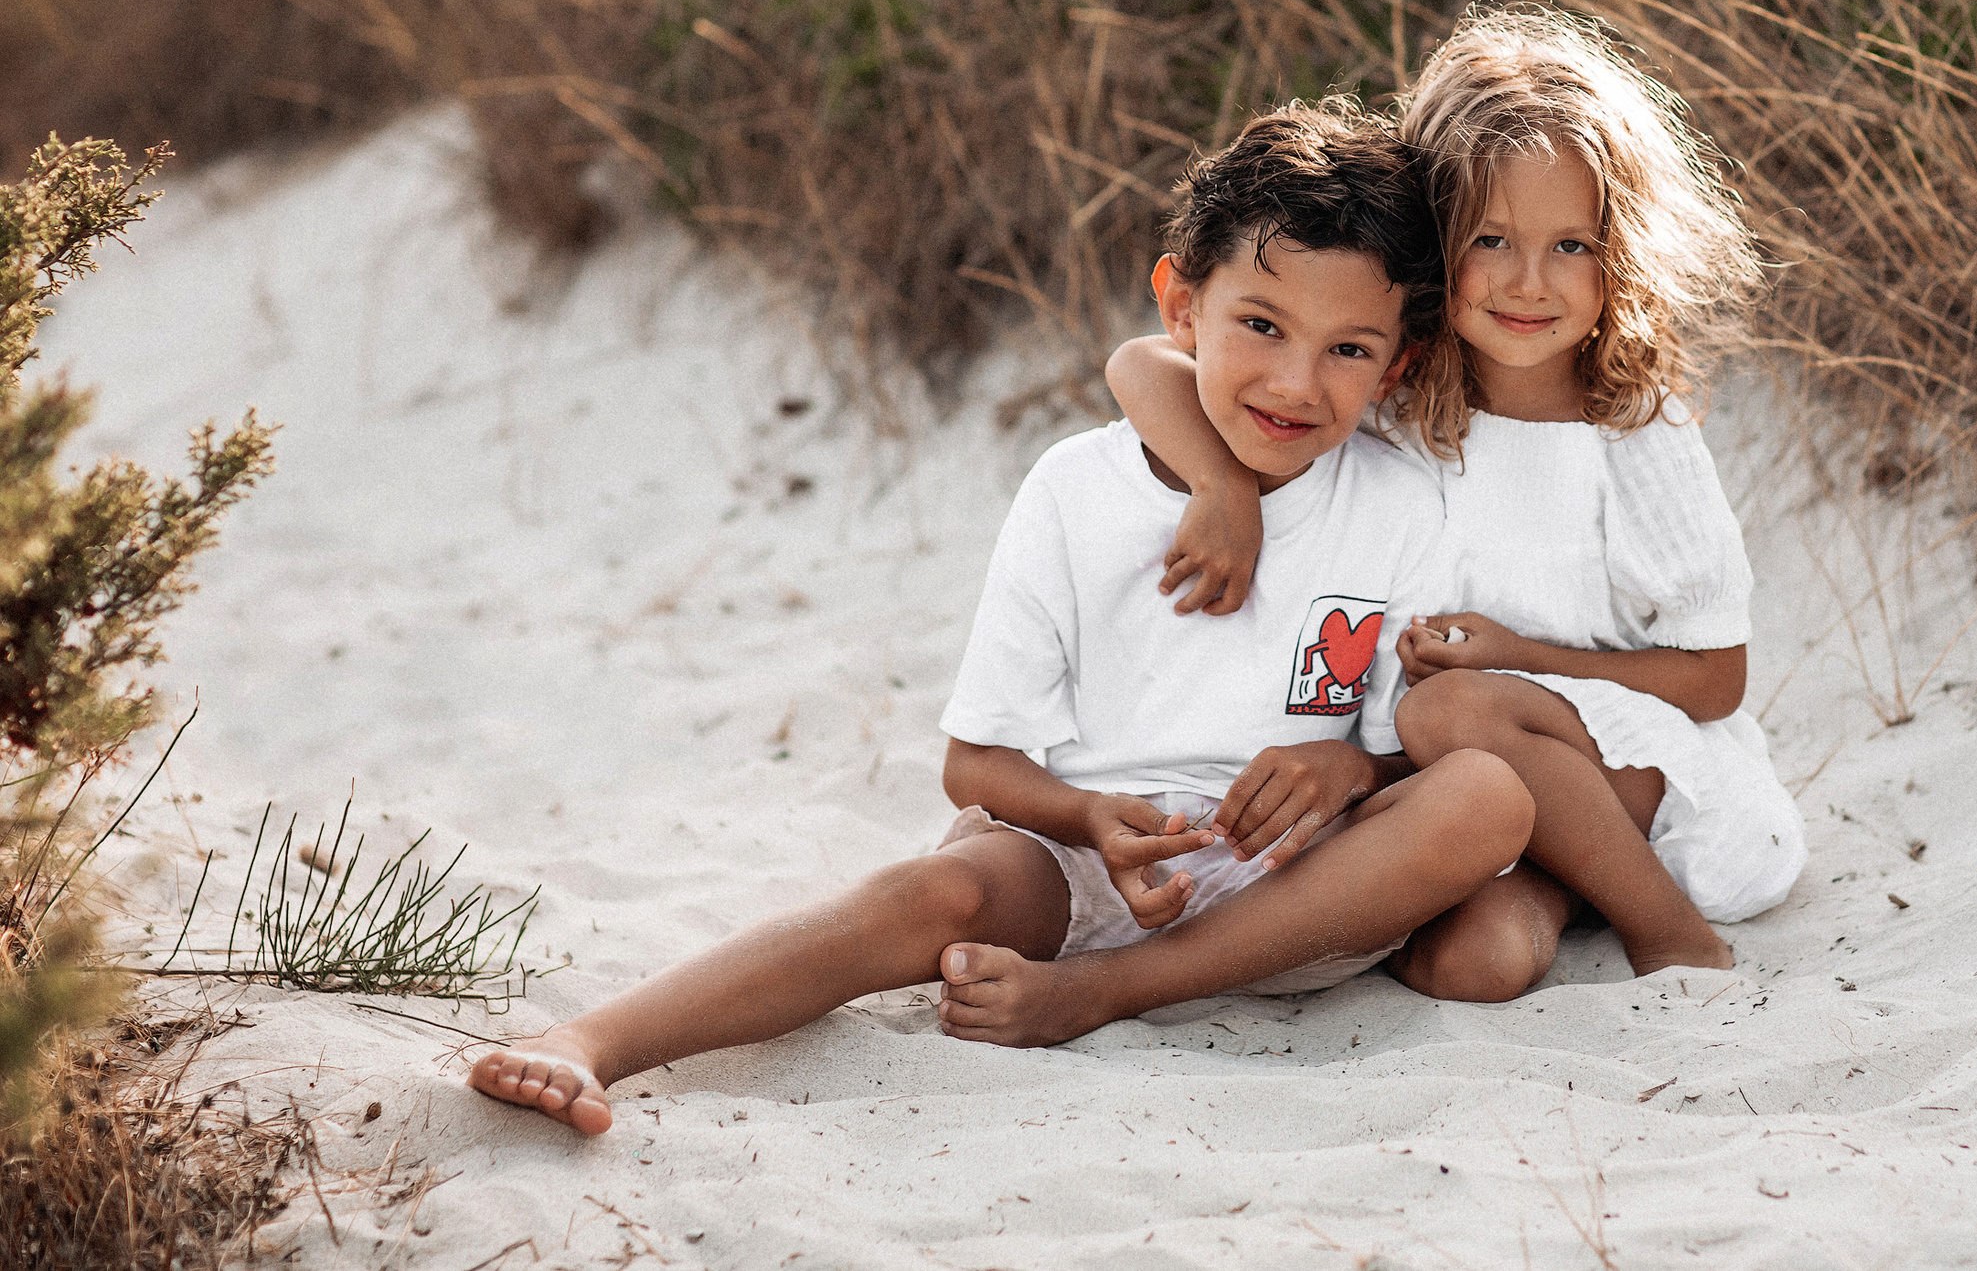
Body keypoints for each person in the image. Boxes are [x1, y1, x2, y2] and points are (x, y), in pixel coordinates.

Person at [468, 102, 1531, 1134]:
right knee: (925, 893)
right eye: (1260, 325)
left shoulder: (1402, 503)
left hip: (1309, 892)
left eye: (1349, 350)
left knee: (1482, 797)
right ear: (1179, 307)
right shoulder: (1078, 489)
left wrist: (1347, 771)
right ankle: (592, 1040)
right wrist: (1088, 819)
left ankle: (1108, 993)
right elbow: (977, 769)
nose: (1298, 382)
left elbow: (1409, 749)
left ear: (1395, 362)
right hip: (1094, 867)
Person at [1107, 7, 1804, 1002]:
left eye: (1572, 245)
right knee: (1474, 965)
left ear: (1621, 251)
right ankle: (1551, 891)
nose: (1530, 281)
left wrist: (1517, 658)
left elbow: (1717, 679)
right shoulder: (1388, 399)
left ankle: (1671, 934)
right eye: (1491, 238)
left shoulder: (1632, 432)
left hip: (1636, 784)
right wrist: (1222, 487)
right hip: (1448, 789)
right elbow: (1139, 362)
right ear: (1436, 240)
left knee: (1452, 706)